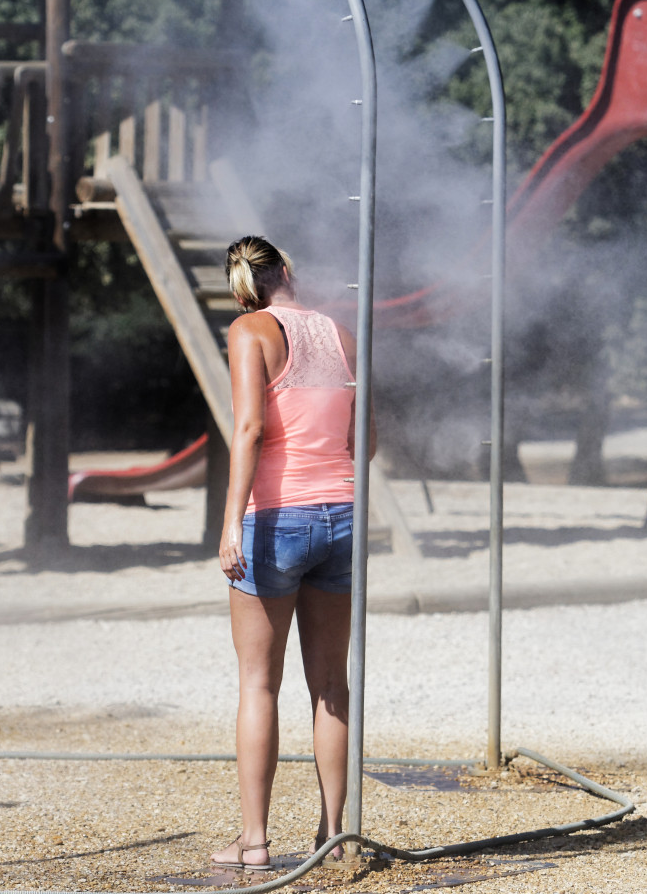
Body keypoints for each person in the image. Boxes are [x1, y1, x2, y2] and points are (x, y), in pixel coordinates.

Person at [210, 235, 372, 872]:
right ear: (288, 271)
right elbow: (369, 440)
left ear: (243, 284)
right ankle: (335, 836)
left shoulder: (249, 330)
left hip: (275, 521)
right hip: (342, 519)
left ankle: (254, 842)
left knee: (259, 684)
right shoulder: (342, 334)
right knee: (332, 685)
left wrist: (229, 525)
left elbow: (249, 427)